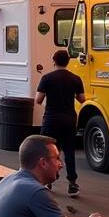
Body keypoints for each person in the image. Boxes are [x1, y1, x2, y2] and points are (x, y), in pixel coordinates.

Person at [36, 49, 85, 196]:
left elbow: (38, 100)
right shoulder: (75, 78)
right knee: (69, 151)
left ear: (54, 61)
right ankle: (72, 182)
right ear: (68, 61)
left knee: (48, 151)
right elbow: (82, 99)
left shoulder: (47, 78)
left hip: (51, 119)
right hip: (69, 119)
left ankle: (48, 181)